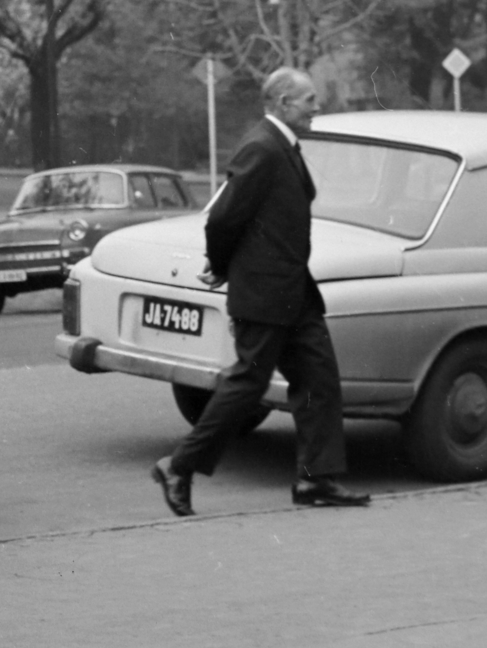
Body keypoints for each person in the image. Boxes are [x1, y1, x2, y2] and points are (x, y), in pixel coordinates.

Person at [151, 67, 369, 516]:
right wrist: (224, 266)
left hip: (292, 293)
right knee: (247, 384)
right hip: (268, 295)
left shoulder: (279, 146)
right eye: (310, 100)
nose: (317, 106)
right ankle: (179, 465)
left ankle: (316, 481)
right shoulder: (263, 147)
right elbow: (223, 219)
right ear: (284, 103)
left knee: (318, 380)